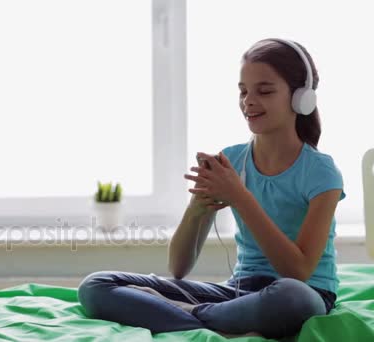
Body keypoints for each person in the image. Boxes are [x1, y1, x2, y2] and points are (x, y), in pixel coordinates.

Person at [77, 38, 345, 339]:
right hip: (238, 294)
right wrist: (197, 208)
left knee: (293, 297)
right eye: (243, 91)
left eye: (264, 91)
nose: (248, 101)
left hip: (304, 294)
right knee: (96, 286)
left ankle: (185, 315)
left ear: (301, 98)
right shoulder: (231, 161)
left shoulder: (322, 172)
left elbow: (298, 273)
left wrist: (240, 198)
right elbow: (178, 267)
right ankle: (207, 319)